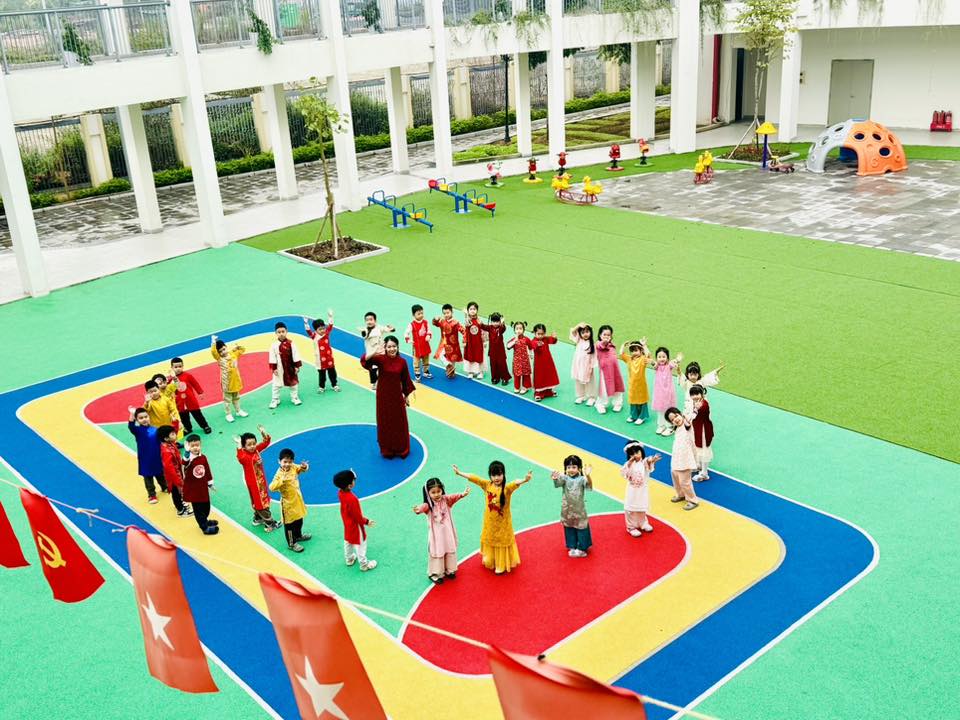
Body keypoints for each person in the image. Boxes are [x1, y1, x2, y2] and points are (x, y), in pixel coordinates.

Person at [453, 461, 532, 575]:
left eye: (499, 474)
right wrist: (459, 473)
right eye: (493, 475)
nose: (496, 478)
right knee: (491, 539)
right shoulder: (487, 485)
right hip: (489, 522)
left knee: (501, 541)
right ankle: (492, 559)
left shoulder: (507, 488)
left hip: (503, 524)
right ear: (490, 476)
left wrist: (525, 480)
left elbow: (515, 482)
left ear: (503, 474)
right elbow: (474, 478)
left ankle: (501, 564)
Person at [360, 336, 416, 459]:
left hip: (397, 396)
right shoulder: (380, 359)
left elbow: (405, 379)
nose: (392, 349)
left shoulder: (402, 362)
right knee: (385, 422)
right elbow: (365, 360)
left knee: (399, 422)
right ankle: (387, 450)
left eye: (394, 346)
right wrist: (375, 350)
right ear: (385, 347)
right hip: (383, 396)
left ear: (398, 347)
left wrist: (406, 396)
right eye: (389, 347)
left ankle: (401, 449)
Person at [412, 477, 470, 584]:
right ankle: (435, 574)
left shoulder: (445, 499)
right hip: (437, 535)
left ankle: (449, 569)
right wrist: (418, 510)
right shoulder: (428, 505)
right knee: (438, 550)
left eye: (439, 491)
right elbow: (423, 507)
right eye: (433, 492)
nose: (437, 494)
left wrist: (462, 494)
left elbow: (453, 497)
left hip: (447, 532)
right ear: (428, 493)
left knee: (448, 547)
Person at [235, 425, 281, 532]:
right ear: (244, 446)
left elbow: (265, 442)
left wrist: (263, 432)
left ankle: (258, 518)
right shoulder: (245, 457)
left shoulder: (255, 451)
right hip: (255, 484)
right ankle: (269, 523)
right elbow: (240, 457)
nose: (252, 446)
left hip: (260, 482)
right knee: (261, 502)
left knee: (258, 501)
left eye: (254, 443)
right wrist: (238, 445)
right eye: (249, 445)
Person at [334, 469, 377, 571]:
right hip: (355, 525)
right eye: (353, 480)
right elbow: (357, 516)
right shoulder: (353, 499)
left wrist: (350, 475)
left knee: (348, 540)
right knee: (360, 544)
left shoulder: (340, 492)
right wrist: (367, 521)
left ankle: (349, 559)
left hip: (347, 523)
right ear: (350, 485)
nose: (354, 481)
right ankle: (364, 564)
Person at [551, 455, 593, 558]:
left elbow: (589, 486)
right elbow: (557, 484)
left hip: (579, 509)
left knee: (581, 526)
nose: (571, 469)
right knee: (568, 526)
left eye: (574, 467)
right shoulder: (564, 478)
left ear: (579, 468)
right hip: (567, 508)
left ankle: (582, 548)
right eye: (568, 467)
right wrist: (555, 479)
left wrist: (588, 476)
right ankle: (572, 546)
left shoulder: (582, 479)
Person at [269, 449, 310, 552]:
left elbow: (300, 469)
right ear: (279, 461)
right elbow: (271, 487)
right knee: (289, 525)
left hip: (297, 500)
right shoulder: (279, 474)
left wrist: (304, 467)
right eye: (285, 462)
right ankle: (292, 543)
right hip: (287, 504)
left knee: (299, 519)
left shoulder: (293, 467)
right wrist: (281, 481)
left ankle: (298, 535)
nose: (287, 464)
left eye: (290, 462)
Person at [127, 406, 166, 504]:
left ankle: (164, 486)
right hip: (145, 459)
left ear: (149, 417)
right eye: (141, 418)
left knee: (160, 473)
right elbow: (131, 426)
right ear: (137, 420)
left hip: (157, 457)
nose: (144, 419)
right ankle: (152, 495)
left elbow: (162, 441)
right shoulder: (137, 431)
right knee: (148, 477)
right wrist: (132, 414)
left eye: (146, 417)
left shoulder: (155, 429)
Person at [621, 440, 660, 536]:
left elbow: (648, 461)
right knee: (630, 509)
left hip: (642, 491)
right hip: (632, 491)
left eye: (637, 452)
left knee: (641, 507)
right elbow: (624, 473)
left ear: (641, 451)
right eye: (632, 454)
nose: (636, 455)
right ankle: (630, 527)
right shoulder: (628, 464)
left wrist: (653, 459)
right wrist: (630, 462)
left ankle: (643, 523)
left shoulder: (644, 462)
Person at [182, 434, 218, 535]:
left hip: (203, 488)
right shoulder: (189, 459)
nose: (195, 448)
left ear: (200, 444)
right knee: (198, 510)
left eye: (197, 445)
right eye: (192, 446)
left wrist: (210, 483)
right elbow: (184, 462)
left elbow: (207, 470)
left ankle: (205, 520)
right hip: (193, 490)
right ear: (188, 446)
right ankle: (204, 527)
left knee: (206, 507)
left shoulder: (203, 457)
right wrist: (186, 452)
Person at [666, 407, 699, 510]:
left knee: (685, 481)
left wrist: (695, 410)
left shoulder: (686, 425)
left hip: (685, 459)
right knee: (675, 476)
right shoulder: (677, 428)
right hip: (677, 458)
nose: (675, 419)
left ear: (680, 414)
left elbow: (691, 419)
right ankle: (681, 494)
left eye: (676, 416)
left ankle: (692, 500)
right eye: (672, 420)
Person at [170, 357, 211, 435]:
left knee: (197, 414)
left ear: (183, 366)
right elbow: (169, 390)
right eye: (175, 367)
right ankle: (188, 428)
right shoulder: (171, 379)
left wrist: (200, 393)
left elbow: (195, 384)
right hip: (180, 402)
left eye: (180, 366)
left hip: (190, 400)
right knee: (184, 417)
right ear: (172, 368)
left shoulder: (188, 375)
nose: (178, 368)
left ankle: (205, 426)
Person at [211, 335, 247, 423]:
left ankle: (238, 410)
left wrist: (238, 347)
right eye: (220, 351)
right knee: (227, 400)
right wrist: (213, 342)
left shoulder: (233, 354)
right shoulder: (219, 359)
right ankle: (228, 414)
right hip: (226, 383)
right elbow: (213, 352)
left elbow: (243, 350)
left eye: (224, 349)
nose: (223, 352)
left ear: (226, 347)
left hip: (236, 381)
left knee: (237, 397)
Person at [157, 425, 191, 517]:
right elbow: (169, 467)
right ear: (166, 438)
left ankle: (181, 504)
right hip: (173, 476)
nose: (175, 435)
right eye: (172, 434)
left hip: (177, 472)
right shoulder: (166, 451)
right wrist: (177, 480)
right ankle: (180, 510)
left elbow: (174, 430)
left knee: (179, 492)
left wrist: (175, 423)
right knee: (176, 493)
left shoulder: (170, 443)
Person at [303, 310, 340, 394]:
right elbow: (308, 331)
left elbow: (330, 326)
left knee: (332, 372)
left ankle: (334, 385)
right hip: (320, 360)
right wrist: (306, 323)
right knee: (322, 374)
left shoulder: (326, 333)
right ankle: (321, 387)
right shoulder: (314, 336)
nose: (323, 330)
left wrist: (330, 316)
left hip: (329, 358)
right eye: (320, 329)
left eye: (323, 328)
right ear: (316, 330)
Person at [268, 321, 302, 409]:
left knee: (293, 384)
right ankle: (275, 399)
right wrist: (274, 368)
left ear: (286, 331)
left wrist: (297, 366)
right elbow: (272, 357)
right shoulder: (274, 345)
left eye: (283, 331)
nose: (281, 334)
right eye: (279, 332)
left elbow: (296, 354)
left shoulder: (291, 343)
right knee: (276, 385)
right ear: (276, 333)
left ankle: (294, 397)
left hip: (290, 368)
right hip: (279, 369)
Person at [651, 346, 682, 435]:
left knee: (669, 410)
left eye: (664, 356)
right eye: (659, 357)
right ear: (656, 358)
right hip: (659, 393)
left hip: (668, 393)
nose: (661, 359)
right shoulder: (657, 367)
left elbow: (674, 362)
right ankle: (661, 425)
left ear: (667, 358)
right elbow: (653, 363)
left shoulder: (669, 366)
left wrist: (678, 359)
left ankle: (670, 427)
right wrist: (644, 346)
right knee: (660, 410)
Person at [360, 311, 395, 389]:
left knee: (384, 367)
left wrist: (392, 328)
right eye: (367, 320)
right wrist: (363, 332)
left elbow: (389, 330)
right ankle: (373, 383)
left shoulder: (379, 328)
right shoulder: (366, 330)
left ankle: (383, 381)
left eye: (371, 319)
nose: (369, 322)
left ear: (375, 320)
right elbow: (364, 335)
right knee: (373, 369)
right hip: (372, 354)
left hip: (381, 352)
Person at [595, 325, 625, 415]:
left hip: (615, 371)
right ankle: (600, 404)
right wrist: (604, 342)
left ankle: (618, 403)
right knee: (604, 388)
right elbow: (601, 345)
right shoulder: (598, 344)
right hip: (605, 372)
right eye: (604, 334)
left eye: (608, 335)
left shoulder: (612, 345)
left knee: (618, 387)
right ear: (600, 335)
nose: (606, 336)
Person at [620, 340, 651, 424]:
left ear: (641, 351)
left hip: (641, 385)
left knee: (642, 401)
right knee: (633, 401)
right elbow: (621, 354)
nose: (634, 353)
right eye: (632, 351)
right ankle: (633, 416)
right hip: (632, 385)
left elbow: (648, 355)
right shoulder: (629, 359)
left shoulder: (643, 359)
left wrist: (644, 345)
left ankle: (642, 417)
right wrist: (623, 346)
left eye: (636, 350)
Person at [689, 385, 714, 482]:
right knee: (697, 448)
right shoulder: (697, 402)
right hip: (697, 428)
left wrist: (696, 409)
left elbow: (694, 416)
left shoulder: (703, 405)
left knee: (704, 451)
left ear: (702, 394)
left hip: (703, 430)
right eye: (692, 394)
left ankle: (704, 473)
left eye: (697, 394)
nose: (694, 396)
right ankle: (698, 466)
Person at [569, 323, 598, 406]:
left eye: (587, 332)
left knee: (589, 381)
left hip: (587, 367)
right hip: (578, 365)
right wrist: (578, 325)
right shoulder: (578, 340)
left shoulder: (593, 344)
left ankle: (591, 397)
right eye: (583, 332)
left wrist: (591, 367)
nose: (585, 334)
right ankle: (581, 396)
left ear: (591, 332)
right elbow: (572, 332)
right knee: (578, 380)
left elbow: (594, 357)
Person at [432, 304, 463, 379]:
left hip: (453, 344)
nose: (446, 315)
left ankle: (451, 373)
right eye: (444, 313)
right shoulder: (442, 321)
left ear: (452, 312)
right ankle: (449, 366)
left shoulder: (456, 323)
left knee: (452, 359)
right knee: (440, 355)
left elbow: (463, 330)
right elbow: (435, 324)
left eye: (448, 313)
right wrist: (435, 319)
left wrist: (465, 340)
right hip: (444, 343)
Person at [404, 304, 433, 381]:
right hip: (416, 347)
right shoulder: (412, 324)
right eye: (419, 314)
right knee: (416, 361)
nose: (421, 315)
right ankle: (417, 373)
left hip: (425, 345)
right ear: (414, 315)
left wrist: (428, 335)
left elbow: (429, 330)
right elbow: (406, 333)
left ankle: (426, 371)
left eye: (422, 313)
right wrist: (408, 340)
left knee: (426, 359)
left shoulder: (426, 322)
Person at [530, 324, 560, 401]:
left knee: (549, 376)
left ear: (545, 333)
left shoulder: (545, 339)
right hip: (539, 364)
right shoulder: (534, 341)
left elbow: (553, 341)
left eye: (542, 334)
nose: (540, 336)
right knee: (540, 377)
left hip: (548, 362)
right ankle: (538, 393)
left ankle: (549, 391)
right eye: (538, 334)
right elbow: (532, 345)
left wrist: (554, 337)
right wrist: (537, 344)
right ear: (534, 333)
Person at [480, 312, 511, 386]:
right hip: (492, 351)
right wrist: (479, 321)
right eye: (493, 321)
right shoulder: (489, 327)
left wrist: (503, 322)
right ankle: (495, 378)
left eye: (497, 321)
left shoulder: (501, 328)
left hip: (500, 351)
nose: (495, 323)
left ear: (500, 322)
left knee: (502, 365)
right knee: (493, 365)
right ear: (491, 321)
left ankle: (505, 378)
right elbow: (482, 326)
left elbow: (503, 328)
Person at [506, 321, 533, 394]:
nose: (519, 330)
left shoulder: (526, 339)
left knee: (526, 374)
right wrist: (514, 341)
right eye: (517, 329)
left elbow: (530, 347)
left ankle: (525, 387)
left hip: (525, 360)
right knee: (516, 374)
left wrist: (531, 354)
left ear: (523, 330)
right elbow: (508, 346)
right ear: (514, 330)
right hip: (517, 360)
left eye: (520, 328)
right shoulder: (513, 339)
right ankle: (517, 387)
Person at [461, 301, 485, 379]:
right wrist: (465, 315)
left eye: (474, 309)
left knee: (479, 357)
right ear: (468, 310)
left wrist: (484, 341)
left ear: (477, 310)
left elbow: (483, 331)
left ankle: (480, 372)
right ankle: (471, 372)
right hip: (470, 343)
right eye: (470, 309)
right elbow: (467, 323)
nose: (472, 311)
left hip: (478, 343)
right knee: (470, 357)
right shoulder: (468, 320)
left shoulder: (479, 320)